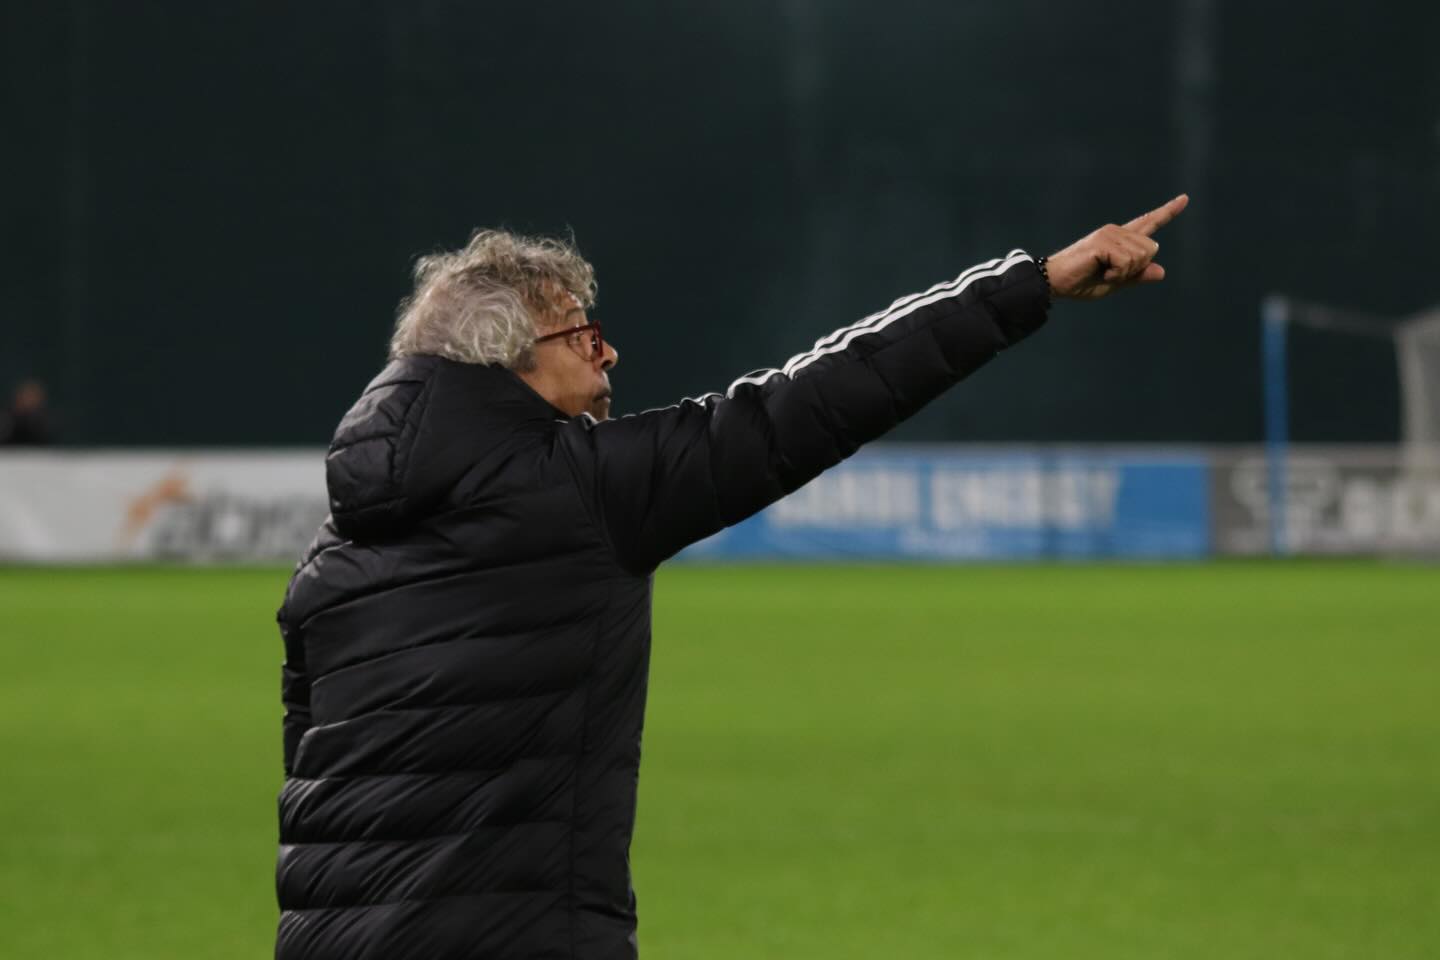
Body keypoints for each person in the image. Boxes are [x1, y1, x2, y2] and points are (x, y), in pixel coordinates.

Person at [275, 194, 1189, 959]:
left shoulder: (327, 562)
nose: (609, 355)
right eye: (585, 335)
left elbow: (308, 775)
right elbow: (811, 400)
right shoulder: (580, 489)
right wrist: (1032, 284)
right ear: (510, 358)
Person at [0, 380, 55, 446]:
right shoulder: (8, 421)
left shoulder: (44, 423)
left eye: (32, 397)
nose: (29, 401)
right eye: (27, 396)